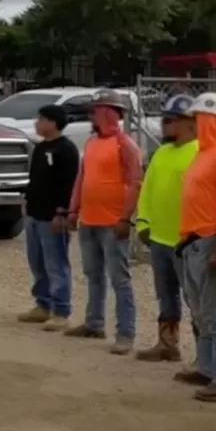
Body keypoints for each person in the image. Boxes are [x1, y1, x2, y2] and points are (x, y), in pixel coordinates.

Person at [65, 89, 142, 356]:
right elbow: (81, 178)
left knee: (119, 278)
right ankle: (94, 322)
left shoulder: (126, 145)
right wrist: (74, 210)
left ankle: (126, 333)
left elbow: (135, 182)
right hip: (89, 219)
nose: (91, 115)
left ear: (109, 112)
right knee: (93, 274)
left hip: (112, 222)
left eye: (95, 110)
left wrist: (125, 217)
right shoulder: (91, 143)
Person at [174, 91, 216, 402]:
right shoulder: (202, 154)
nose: (195, 124)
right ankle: (206, 366)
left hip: (208, 240)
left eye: (200, 118)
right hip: (192, 241)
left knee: (214, 312)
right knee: (199, 310)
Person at [135, 95, 200, 362]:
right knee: (166, 296)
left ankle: (204, 356)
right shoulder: (162, 152)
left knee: (194, 298)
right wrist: (143, 222)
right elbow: (147, 190)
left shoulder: (199, 152)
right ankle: (167, 344)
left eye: (171, 119)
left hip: (186, 240)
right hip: (159, 238)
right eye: (164, 119)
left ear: (191, 123)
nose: (165, 124)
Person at [18, 104, 80, 329]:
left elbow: (69, 184)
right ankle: (42, 304)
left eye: (41, 119)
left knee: (56, 263)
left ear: (53, 122)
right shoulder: (40, 148)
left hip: (53, 216)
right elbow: (34, 179)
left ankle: (61, 310)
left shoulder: (66, 150)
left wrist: (63, 211)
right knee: (37, 262)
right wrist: (27, 201)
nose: (37, 123)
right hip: (35, 214)